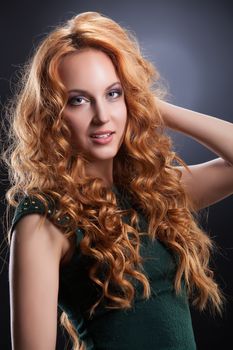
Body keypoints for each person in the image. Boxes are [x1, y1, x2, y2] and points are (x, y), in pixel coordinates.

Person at [2, 10, 233, 350]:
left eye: (113, 93)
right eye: (78, 100)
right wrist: (120, 98)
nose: (102, 117)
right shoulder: (43, 219)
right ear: (53, 113)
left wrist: (145, 103)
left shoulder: (153, 190)